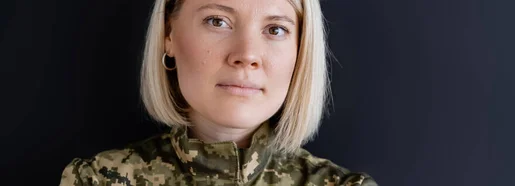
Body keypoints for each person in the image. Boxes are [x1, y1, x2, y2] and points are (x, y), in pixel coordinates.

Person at [59, 0, 377, 185]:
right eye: (217, 21)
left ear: (301, 50)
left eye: (275, 29)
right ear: (169, 33)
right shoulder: (98, 181)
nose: (247, 54)